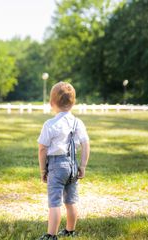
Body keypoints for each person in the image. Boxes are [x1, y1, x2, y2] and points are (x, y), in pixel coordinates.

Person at [37, 82, 90, 240]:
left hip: (56, 166)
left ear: (51, 103)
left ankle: (51, 235)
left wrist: (43, 170)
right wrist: (83, 166)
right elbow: (86, 144)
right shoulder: (77, 122)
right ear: (73, 103)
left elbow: (42, 149)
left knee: (54, 202)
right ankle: (70, 230)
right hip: (73, 165)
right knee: (71, 201)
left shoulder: (50, 124)